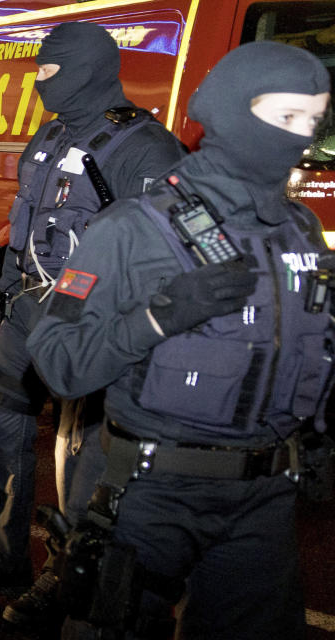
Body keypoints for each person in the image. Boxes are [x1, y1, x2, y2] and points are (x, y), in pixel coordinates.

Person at [26, 41, 332, 638]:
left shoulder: (300, 230)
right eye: (285, 117)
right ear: (230, 110)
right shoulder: (134, 229)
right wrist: (159, 319)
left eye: (313, 122)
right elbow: (58, 362)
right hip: (152, 497)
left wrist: (317, 430)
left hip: (266, 499)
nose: (299, 137)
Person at [0, 21, 185, 628]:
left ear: (88, 71)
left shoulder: (146, 148)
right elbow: (24, 227)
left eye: (51, 72)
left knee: (79, 454)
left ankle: (66, 574)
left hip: (89, 324)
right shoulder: (50, 136)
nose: (42, 82)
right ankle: (0, 557)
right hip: (24, 313)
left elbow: (162, 253)